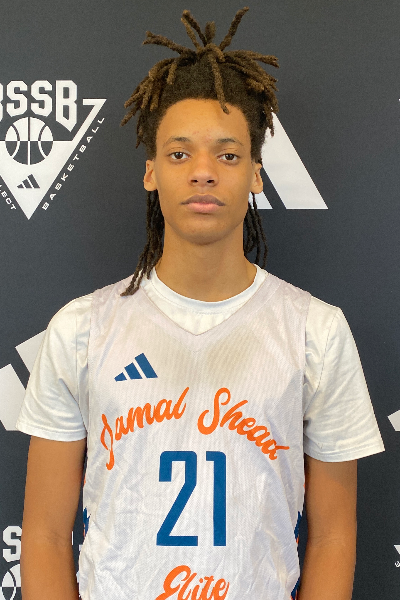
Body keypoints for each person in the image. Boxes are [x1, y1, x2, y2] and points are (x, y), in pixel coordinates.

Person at [17, 7, 384, 600]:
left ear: (257, 174)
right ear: (151, 173)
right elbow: (46, 536)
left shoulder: (315, 330)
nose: (204, 173)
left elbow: (333, 537)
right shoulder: (82, 329)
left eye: (228, 155)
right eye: (180, 153)